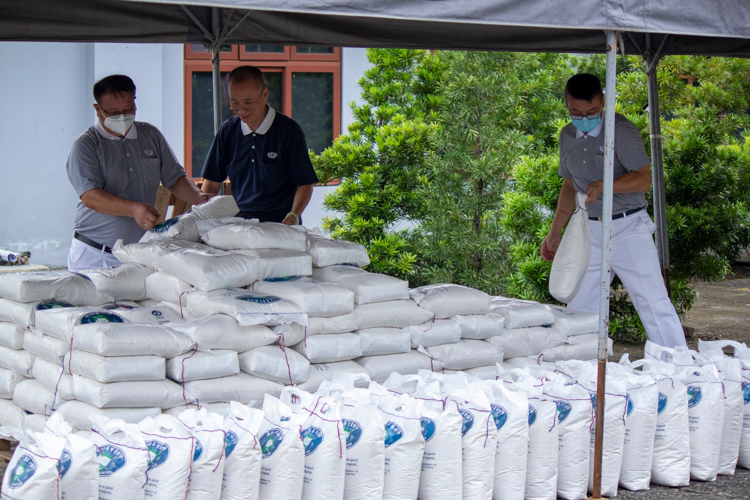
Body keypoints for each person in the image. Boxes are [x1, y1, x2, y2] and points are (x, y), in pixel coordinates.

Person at [541, 73, 686, 348]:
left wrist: (606, 184)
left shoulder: (621, 129)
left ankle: (678, 365)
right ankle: (580, 368)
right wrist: (554, 233)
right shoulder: (567, 135)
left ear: (603, 102)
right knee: (580, 302)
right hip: (589, 229)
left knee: (652, 299)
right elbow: (570, 186)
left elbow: (644, 178)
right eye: (576, 112)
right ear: (566, 104)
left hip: (628, 227)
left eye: (592, 111)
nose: (584, 117)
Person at [66, 74, 210, 272]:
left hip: (139, 253)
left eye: (128, 110)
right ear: (97, 110)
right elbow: (91, 196)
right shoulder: (86, 145)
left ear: (135, 102)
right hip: (95, 253)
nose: (122, 117)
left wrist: (199, 197)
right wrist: (134, 209)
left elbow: (174, 178)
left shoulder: (150, 135)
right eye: (114, 113)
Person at [200, 66, 318, 224]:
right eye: (235, 104)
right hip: (239, 223)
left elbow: (305, 184)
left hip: (281, 222)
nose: (241, 111)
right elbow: (212, 183)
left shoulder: (288, 131)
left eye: (248, 103)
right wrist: (201, 215)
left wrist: (293, 216)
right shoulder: (227, 131)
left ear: (264, 94)